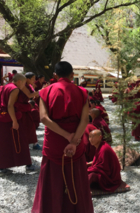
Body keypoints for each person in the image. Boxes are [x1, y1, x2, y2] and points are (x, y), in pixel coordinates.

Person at [32, 61, 93, 213]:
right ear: (72, 75)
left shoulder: (45, 92)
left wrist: (66, 136)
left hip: (55, 139)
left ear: (55, 75)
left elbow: (44, 119)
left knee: (52, 177)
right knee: (76, 174)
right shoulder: (82, 92)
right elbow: (85, 120)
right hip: (76, 138)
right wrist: (73, 141)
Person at [0, 74, 33, 175]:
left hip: (3, 117)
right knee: (20, 140)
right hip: (11, 118)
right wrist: (14, 121)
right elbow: (10, 106)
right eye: (23, 83)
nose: (24, 85)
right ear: (19, 81)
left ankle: (2, 167)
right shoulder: (15, 89)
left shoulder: (5, 86)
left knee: (5, 143)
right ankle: (28, 165)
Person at [16, 72, 41, 150]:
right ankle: (22, 143)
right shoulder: (22, 86)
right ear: (27, 79)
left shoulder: (29, 86)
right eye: (32, 78)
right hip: (21, 108)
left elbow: (33, 95)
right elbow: (30, 95)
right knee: (23, 127)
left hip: (26, 108)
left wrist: (36, 94)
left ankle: (34, 143)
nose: (34, 80)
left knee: (31, 126)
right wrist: (41, 91)